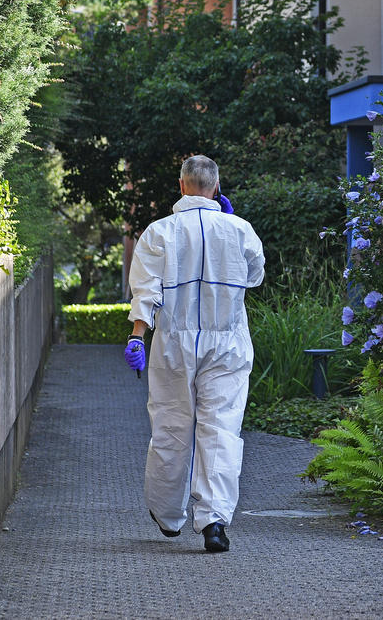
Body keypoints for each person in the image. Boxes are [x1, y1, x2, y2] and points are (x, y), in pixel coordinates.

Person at [123, 155, 265, 553]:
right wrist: (230, 233)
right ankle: (214, 522)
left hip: (174, 343)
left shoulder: (159, 233)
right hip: (228, 343)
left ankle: (168, 516)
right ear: (216, 188)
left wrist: (137, 338)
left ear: (181, 185)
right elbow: (255, 275)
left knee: (171, 427)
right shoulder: (240, 229)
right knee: (220, 429)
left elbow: (146, 291)